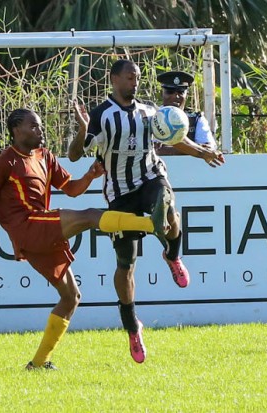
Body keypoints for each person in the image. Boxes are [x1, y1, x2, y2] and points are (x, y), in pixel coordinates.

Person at [0, 108, 170, 370]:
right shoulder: (4, 162)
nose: (40, 130)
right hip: (26, 227)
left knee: (71, 297)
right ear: (16, 130)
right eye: (33, 126)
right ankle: (151, 224)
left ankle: (38, 363)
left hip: (41, 230)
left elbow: (72, 190)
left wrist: (89, 175)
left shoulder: (45, 156)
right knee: (89, 216)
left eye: (40, 125)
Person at [68, 59, 225, 364]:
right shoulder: (101, 115)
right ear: (114, 79)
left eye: (138, 77)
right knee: (126, 265)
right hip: (120, 194)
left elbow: (176, 137)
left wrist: (203, 153)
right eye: (130, 77)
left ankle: (172, 255)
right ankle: (132, 326)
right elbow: (74, 155)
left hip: (150, 177)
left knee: (166, 205)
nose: (135, 82)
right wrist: (83, 130)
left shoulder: (150, 111)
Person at [154, 70, 218, 156]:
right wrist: (194, 149)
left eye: (180, 92)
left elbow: (209, 149)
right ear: (162, 93)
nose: (175, 96)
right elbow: (151, 150)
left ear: (186, 95)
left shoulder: (196, 119)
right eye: (170, 92)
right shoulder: (152, 116)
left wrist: (167, 150)